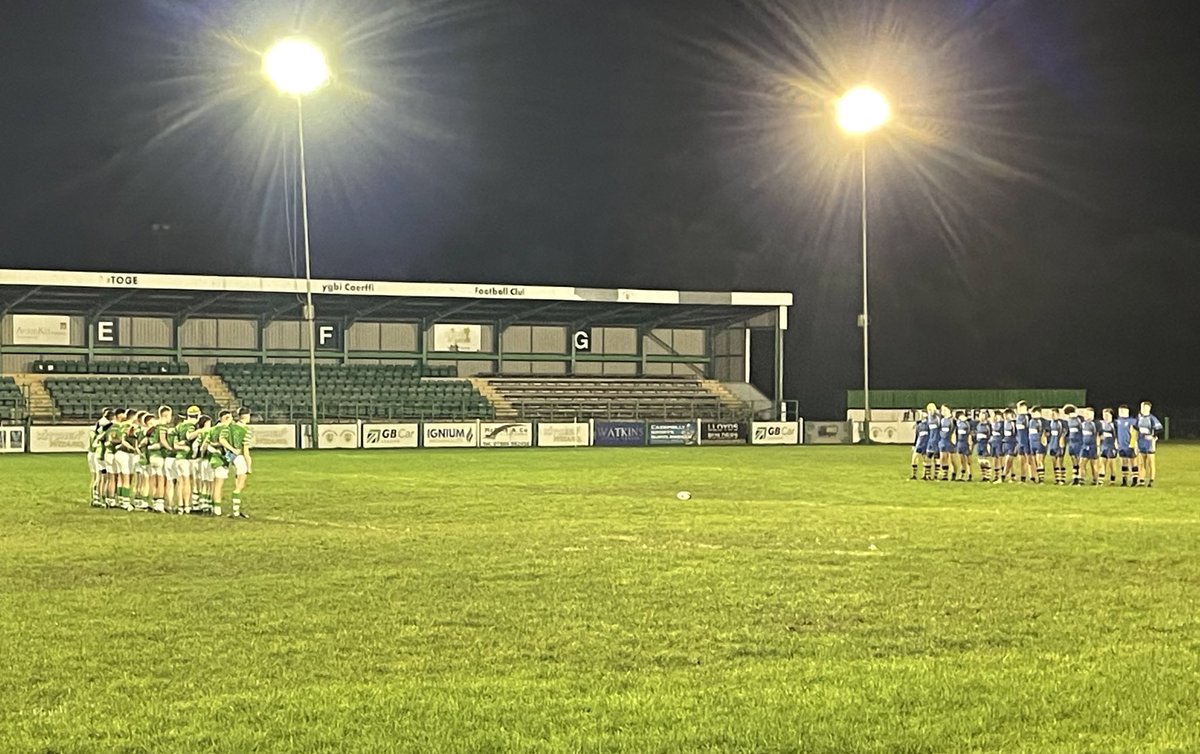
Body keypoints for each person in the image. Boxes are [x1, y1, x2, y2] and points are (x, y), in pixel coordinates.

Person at [220, 407, 253, 518]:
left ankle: (236, 510)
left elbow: (223, 439)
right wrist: (249, 465)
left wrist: (230, 450)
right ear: (247, 415)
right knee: (239, 485)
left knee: (236, 482)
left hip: (232, 458)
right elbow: (245, 450)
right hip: (240, 458)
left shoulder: (231, 427)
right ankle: (235, 512)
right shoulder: (246, 430)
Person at [171, 406, 201, 514]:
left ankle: (180, 505)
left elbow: (175, 444)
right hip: (186, 458)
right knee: (187, 482)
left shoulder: (179, 426)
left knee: (180, 482)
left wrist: (181, 445)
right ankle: (187, 506)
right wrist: (200, 431)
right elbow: (189, 436)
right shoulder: (191, 426)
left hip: (178, 457)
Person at [208, 411, 234, 516]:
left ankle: (211, 506)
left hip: (212, 459)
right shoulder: (225, 429)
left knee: (213, 484)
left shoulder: (212, 429)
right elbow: (223, 442)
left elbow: (207, 443)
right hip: (220, 459)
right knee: (219, 485)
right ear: (226, 418)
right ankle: (217, 509)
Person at [150, 406, 175, 513]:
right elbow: (163, 440)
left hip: (152, 455)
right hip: (159, 455)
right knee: (161, 481)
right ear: (166, 415)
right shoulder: (162, 426)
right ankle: (160, 505)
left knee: (154, 480)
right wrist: (171, 449)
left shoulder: (154, 426)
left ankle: (154, 503)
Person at [87, 408, 113, 507]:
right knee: (101, 476)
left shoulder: (96, 425)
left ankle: (94, 497)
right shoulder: (106, 426)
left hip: (92, 453)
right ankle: (97, 498)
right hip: (97, 454)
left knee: (95, 477)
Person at [1135, 401, 1164, 487]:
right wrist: (1136, 441)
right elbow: (1136, 429)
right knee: (1141, 462)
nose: (1143, 409)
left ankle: (1151, 480)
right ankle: (1141, 480)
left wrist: (1153, 436)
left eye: (1145, 407)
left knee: (1150, 462)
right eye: (1142, 407)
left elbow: (1159, 429)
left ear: (1149, 408)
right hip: (1141, 442)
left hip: (1150, 443)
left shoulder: (1152, 418)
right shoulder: (1139, 418)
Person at [1114, 405, 1137, 486]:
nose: (1121, 413)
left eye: (1123, 411)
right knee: (1123, 462)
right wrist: (1116, 442)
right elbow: (1115, 432)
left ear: (1127, 411)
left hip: (1130, 445)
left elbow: (1134, 433)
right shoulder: (1117, 421)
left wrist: (1133, 444)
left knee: (1133, 462)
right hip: (1121, 445)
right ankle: (1124, 480)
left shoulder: (1132, 421)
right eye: (1120, 411)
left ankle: (1135, 479)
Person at [1046, 408, 1066, 485]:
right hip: (1052, 445)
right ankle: (1057, 478)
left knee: (1059, 462)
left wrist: (1062, 440)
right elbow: (1047, 433)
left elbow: (1064, 432)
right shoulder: (1049, 423)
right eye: (1051, 414)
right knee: (1054, 462)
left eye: (1053, 414)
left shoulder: (1062, 423)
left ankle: (1061, 478)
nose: (1052, 416)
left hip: (1059, 445)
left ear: (1058, 414)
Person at [1063, 405, 1083, 486]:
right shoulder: (1068, 421)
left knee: (1078, 461)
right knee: (1074, 460)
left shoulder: (1079, 419)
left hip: (1078, 442)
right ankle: (1075, 478)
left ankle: (1079, 478)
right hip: (1071, 443)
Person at [1097, 408, 1117, 485]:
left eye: (1107, 415)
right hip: (1103, 446)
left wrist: (1116, 444)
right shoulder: (1101, 424)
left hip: (1111, 446)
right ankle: (1100, 480)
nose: (1105, 416)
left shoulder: (1114, 424)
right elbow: (1099, 434)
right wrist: (1098, 444)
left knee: (1111, 464)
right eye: (1104, 415)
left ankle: (1112, 480)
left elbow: (1116, 435)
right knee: (1101, 462)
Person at [1079, 408, 1099, 485]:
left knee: (1093, 464)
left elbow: (1098, 435)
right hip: (1084, 446)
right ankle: (1081, 479)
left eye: (1088, 414)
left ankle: (1095, 480)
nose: (1086, 415)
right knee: (1082, 463)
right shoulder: (1083, 424)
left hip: (1093, 446)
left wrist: (1098, 446)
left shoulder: (1096, 424)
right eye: (1085, 414)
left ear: (1092, 414)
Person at [1028, 406, 1047, 484]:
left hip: (1039, 443)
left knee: (1040, 460)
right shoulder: (1030, 421)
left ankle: (1041, 479)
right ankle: (1034, 477)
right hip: (1032, 443)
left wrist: (1044, 439)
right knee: (1033, 461)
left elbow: (1046, 432)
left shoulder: (1043, 421)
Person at [1014, 401, 1031, 483]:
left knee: (1030, 461)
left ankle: (1033, 477)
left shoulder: (1027, 417)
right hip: (1020, 442)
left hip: (1027, 442)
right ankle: (1023, 478)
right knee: (1021, 461)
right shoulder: (1017, 418)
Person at [910, 408, 930, 480]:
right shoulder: (919, 424)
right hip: (919, 444)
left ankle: (925, 475)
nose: (922, 415)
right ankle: (914, 475)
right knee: (914, 458)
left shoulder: (929, 424)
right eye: (922, 413)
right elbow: (917, 435)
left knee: (926, 460)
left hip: (926, 444)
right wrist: (914, 445)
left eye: (924, 413)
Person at [974, 410, 993, 482]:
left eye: (982, 415)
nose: (981, 417)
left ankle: (988, 476)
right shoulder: (978, 425)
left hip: (985, 443)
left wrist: (988, 443)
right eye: (980, 415)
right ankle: (983, 475)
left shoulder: (988, 425)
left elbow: (990, 434)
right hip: (979, 444)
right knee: (980, 460)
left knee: (986, 460)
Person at [954, 410, 972, 481]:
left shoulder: (967, 423)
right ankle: (963, 474)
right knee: (962, 459)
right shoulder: (958, 423)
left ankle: (970, 474)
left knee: (968, 460)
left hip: (966, 442)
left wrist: (970, 443)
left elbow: (969, 433)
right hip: (960, 443)